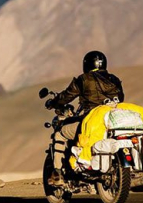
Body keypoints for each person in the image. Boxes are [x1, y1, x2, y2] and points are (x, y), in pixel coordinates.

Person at [44, 50, 124, 185]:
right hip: (113, 121)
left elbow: (67, 96)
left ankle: (57, 173)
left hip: (91, 121)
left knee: (60, 133)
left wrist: (54, 102)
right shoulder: (114, 79)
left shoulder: (84, 80)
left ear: (86, 64)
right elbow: (121, 98)